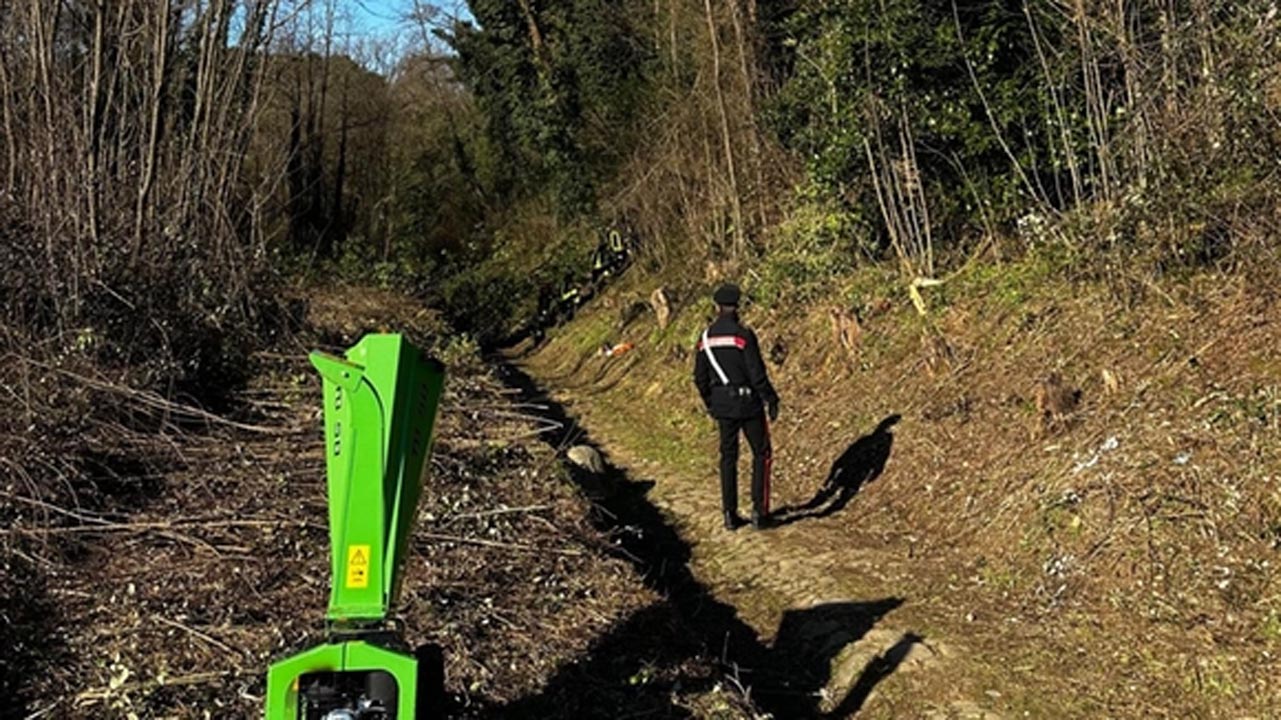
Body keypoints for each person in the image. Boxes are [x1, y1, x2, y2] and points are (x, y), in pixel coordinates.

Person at [693, 284, 780, 530]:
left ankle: (729, 514)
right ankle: (758, 512)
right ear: (738, 306)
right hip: (748, 402)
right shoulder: (743, 335)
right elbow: (756, 373)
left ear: (717, 306)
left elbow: (699, 377)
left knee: (728, 457)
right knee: (761, 454)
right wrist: (771, 398)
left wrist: (711, 402)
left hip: (722, 404)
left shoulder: (705, 338)